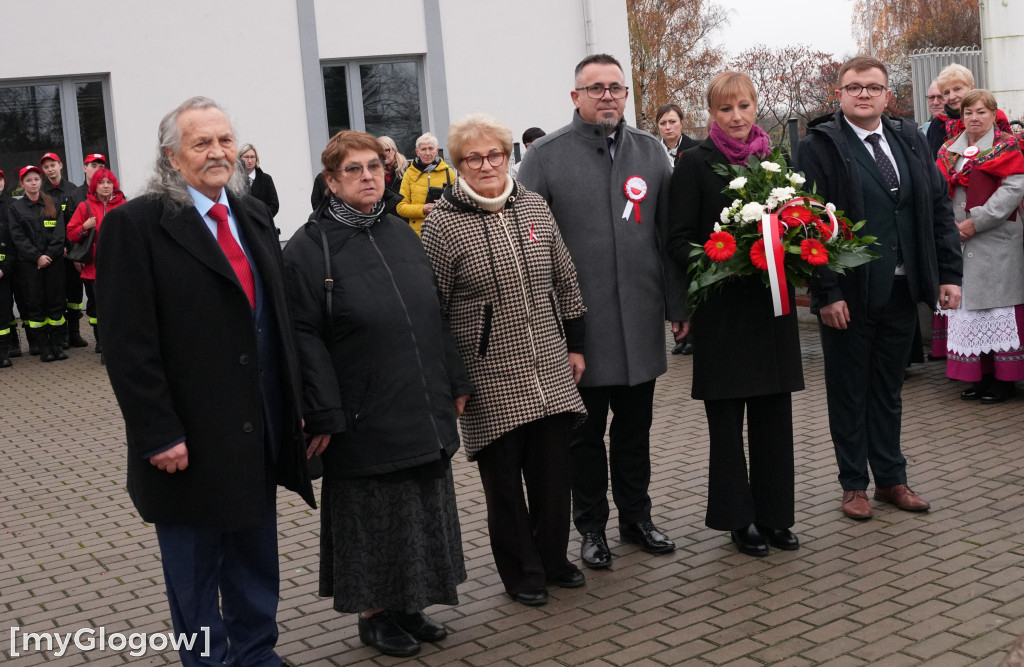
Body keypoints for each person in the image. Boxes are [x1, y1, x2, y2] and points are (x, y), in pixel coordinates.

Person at [95, 96, 316, 667]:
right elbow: (127, 346)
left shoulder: (253, 215)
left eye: (224, 140)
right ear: (172, 156)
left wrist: (294, 404)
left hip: (258, 427)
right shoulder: (135, 225)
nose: (218, 153)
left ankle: (255, 652)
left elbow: (277, 324)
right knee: (195, 571)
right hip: (187, 440)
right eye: (201, 143)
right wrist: (157, 433)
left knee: (255, 554)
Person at [282, 130, 470, 659]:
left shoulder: (398, 230)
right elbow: (302, 337)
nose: (368, 176)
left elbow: (432, 312)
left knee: (418, 507)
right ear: (330, 181)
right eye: (353, 170)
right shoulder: (307, 248)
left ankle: (411, 605)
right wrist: (322, 411)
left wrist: (454, 378)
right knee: (372, 516)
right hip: (360, 409)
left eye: (374, 167)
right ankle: (374, 616)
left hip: (419, 397)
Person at [518, 53, 688, 569]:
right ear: (576, 97)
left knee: (635, 433)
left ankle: (636, 518)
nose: (608, 95)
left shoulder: (652, 152)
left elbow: (667, 237)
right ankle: (591, 528)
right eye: (596, 88)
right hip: (578, 332)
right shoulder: (544, 158)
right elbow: (530, 248)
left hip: (638, 324)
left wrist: (678, 306)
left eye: (616, 86)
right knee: (585, 440)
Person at [421, 113, 588, 607]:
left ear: (507, 155)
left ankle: (554, 560)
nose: (487, 164)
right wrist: (454, 380)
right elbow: (433, 311)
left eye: (494, 154)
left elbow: (567, 278)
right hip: (487, 376)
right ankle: (522, 573)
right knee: (505, 489)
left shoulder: (534, 206)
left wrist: (576, 344)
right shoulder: (442, 224)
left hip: (551, 369)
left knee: (554, 477)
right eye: (474, 158)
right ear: (459, 166)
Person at [798, 56, 962, 520]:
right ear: (840, 95)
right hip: (849, 295)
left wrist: (949, 274)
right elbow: (808, 225)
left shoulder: (907, 138)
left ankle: (891, 478)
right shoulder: (820, 145)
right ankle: (853, 485)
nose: (864, 94)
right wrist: (827, 293)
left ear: (888, 95)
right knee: (849, 390)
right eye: (854, 87)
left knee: (888, 389)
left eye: (873, 87)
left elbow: (936, 208)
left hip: (901, 288)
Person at [667, 71, 804, 557]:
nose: (737, 117)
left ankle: (775, 516)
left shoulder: (776, 161)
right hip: (723, 313)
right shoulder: (694, 163)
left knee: (774, 417)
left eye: (744, 106)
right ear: (711, 115)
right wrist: (721, 258)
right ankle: (737, 518)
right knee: (726, 423)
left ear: (755, 105)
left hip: (770, 310)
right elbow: (678, 237)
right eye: (726, 109)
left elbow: (795, 222)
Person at [936, 89, 1024, 404]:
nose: (975, 117)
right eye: (969, 112)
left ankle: (1005, 382)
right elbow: (937, 192)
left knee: (997, 309)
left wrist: (977, 222)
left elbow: (1013, 189)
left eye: (981, 112)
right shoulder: (949, 150)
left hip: (994, 240)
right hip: (958, 243)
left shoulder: (1007, 146)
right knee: (971, 310)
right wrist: (947, 229)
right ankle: (982, 377)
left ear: (993, 114)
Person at [7, 165, 67, 363]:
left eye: (36, 179)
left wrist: (48, 255)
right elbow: (18, 237)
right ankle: (44, 349)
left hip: (53, 263)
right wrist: (37, 257)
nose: (33, 183)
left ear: (41, 181)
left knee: (56, 304)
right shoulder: (15, 208)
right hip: (30, 266)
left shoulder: (53, 203)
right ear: (22, 184)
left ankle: (57, 346)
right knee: (36, 306)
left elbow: (60, 234)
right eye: (29, 180)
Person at [66, 167, 126, 359]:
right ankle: (103, 344)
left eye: (109, 182)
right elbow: (71, 234)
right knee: (99, 307)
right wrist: (85, 227)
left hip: (119, 267)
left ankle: (120, 345)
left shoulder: (123, 205)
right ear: (95, 185)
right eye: (101, 182)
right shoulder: (85, 206)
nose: (106, 186)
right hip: (94, 267)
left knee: (119, 306)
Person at [40, 152, 85, 350]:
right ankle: (63, 335)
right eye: (46, 167)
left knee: (75, 294)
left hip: (73, 250)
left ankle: (75, 333)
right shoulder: (41, 192)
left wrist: (72, 246)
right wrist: (58, 246)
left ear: (60, 165)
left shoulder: (73, 190)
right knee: (58, 294)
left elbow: (76, 221)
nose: (50, 169)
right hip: (54, 252)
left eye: (53, 165)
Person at [396, 132, 457, 236]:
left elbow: (459, 202)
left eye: (431, 148)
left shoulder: (448, 172)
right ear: (417, 152)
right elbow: (400, 207)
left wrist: (444, 204)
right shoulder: (409, 174)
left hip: (444, 232)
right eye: (423, 149)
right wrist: (423, 209)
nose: (427, 153)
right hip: (417, 234)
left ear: (437, 151)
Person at [239, 143, 280, 218]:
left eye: (252, 157)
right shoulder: (234, 181)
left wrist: (261, 219)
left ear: (256, 159)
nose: (250, 161)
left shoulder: (266, 179)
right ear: (239, 158)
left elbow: (274, 205)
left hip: (262, 225)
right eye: (246, 157)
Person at [656, 102, 699, 167]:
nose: (668, 127)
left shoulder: (697, 148)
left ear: (682, 122)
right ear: (658, 126)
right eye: (662, 123)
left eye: (672, 122)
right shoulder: (652, 153)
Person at [377, 135, 408, 220]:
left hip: (404, 218)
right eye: (379, 151)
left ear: (394, 150)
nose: (383, 154)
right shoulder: (374, 173)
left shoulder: (408, 170)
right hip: (383, 219)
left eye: (386, 150)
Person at [0, 169, 13, 367]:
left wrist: (4, 267)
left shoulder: (11, 206)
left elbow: (14, 241)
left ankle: (4, 353)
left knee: (3, 313)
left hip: (5, 268)